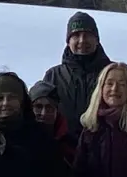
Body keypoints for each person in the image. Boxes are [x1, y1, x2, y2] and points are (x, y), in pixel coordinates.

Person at [39, 11, 112, 143]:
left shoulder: (112, 73)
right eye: (76, 35)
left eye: (87, 35)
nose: (82, 41)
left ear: (97, 40)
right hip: (63, 151)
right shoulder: (54, 75)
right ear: (68, 41)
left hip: (105, 148)